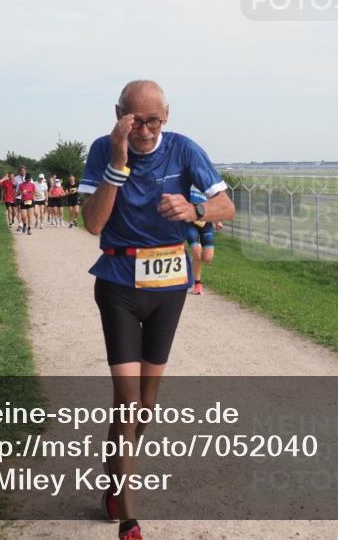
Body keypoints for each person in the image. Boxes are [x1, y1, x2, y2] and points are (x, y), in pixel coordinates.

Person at [80, 80, 234, 540]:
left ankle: (111, 479)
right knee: (127, 401)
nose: (145, 130)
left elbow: (228, 206)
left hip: (168, 288)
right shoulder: (103, 150)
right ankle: (128, 516)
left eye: (154, 120)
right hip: (119, 286)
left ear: (166, 116)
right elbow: (92, 223)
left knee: (145, 405)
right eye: (135, 120)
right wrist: (118, 164)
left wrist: (194, 208)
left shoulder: (185, 150)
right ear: (118, 113)